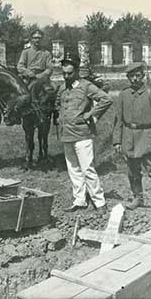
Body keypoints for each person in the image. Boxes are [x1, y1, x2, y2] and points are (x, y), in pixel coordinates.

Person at [55, 54, 112, 213]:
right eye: (64, 73)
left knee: (87, 168)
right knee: (73, 169)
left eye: (69, 73)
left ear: (77, 71)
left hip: (82, 134)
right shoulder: (62, 88)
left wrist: (92, 115)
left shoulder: (86, 86)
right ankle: (79, 200)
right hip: (66, 134)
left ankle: (100, 202)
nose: (66, 76)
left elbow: (106, 99)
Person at [112, 62, 151, 216]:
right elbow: (118, 120)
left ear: (143, 76)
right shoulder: (124, 95)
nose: (135, 79)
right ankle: (138, 197)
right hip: (129, 136)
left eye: (138, 75)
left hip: (146, 136)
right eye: (132, 76)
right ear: (128, 78)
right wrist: (117, 141)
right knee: (132, 171)